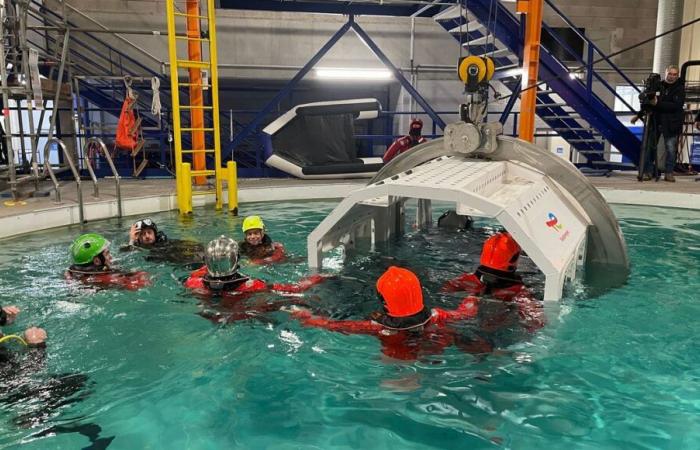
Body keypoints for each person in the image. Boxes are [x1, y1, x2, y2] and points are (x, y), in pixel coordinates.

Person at [288, 266, 488, 361]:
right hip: (437, 349)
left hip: (398, 361)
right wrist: (473, 296)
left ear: (384, 300)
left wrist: (305, 317)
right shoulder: (438, 315)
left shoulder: (378, 327)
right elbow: (465, 314)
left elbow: (334, 326)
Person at [441, 231, 544, 330]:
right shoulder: (518, 291)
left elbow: (445, 289)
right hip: (496, 326)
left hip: (469, 312)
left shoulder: (468, 279)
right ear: (513, 259)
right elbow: (537, 322)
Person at [184, 235, 326, 301]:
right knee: (298, 310)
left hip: (209, 314)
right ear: (236, 259)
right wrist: (317, 278)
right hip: (245, 315)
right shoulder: (252, 285)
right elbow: (293, 289)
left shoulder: (192, 282)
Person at [66, 233, 150, 290]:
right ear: (97, 261)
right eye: (107, 254)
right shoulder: (109, 279)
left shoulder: (71, 273)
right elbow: (136, 286)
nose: (111, 257)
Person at [121, 218, 204, 267]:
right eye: (143, 234)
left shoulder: (164, 241)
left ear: (155, 234)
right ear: (138, 238)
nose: (147, 236)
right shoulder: (137, 247)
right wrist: (132, 240)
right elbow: (126, 256)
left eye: (149, 232)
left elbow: (189, 245)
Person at [654, 65, 685, 182]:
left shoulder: (680, 89)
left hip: (672, 123)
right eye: (670, 74)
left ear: (677, 76)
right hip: (656, 121)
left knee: (671, 149)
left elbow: (676, 105)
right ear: (665, 73)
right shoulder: (658, 85)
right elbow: (650, 101)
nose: (672, 76)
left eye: (674, 74)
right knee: (650, 148)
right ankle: (648, 171)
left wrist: (658, 103)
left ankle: (669, 173)